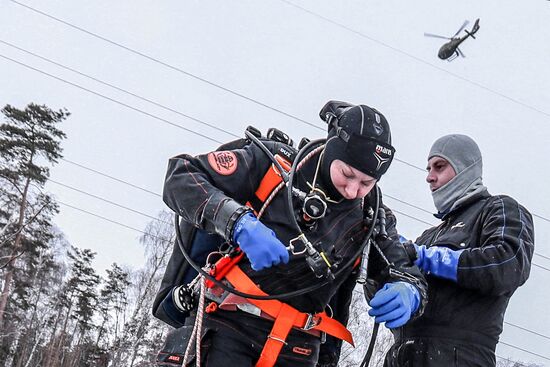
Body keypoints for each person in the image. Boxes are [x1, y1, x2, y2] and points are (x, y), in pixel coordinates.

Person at [156, 100, 427, 367]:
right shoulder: (275, 166)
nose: (353, 190)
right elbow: (181, 176)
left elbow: (403, 269)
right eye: (347, 174)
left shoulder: (371, 215)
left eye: (367, 183)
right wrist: (237, 222)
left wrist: (409, 291)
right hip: (227, 326)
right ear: (333, 152)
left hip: (300, 348)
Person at [384, 134, 535, 367]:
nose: (429, 177)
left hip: (459, 357)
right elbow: (396, 280)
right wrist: (384, 258)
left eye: (439, 167)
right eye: (428, 168)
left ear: (465, 168)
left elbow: (508, 264)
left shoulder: (499, 208)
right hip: (403, 355)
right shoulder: (428, 236)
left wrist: (429, 257)